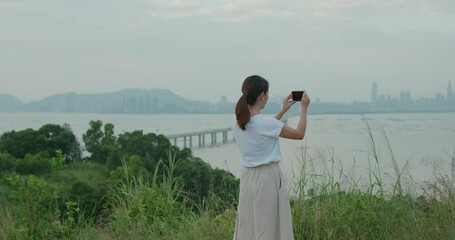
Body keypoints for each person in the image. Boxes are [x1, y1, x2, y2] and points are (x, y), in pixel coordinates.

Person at [232, 75, 310, 240]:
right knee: (269, 225)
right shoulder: (266, 124)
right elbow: (299, 134)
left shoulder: (238, 123)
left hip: (247, 179)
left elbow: (265, 129)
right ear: (262, 95)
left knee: (251, 223)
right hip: (267, 178)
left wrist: (283, 110)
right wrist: (304, 108)